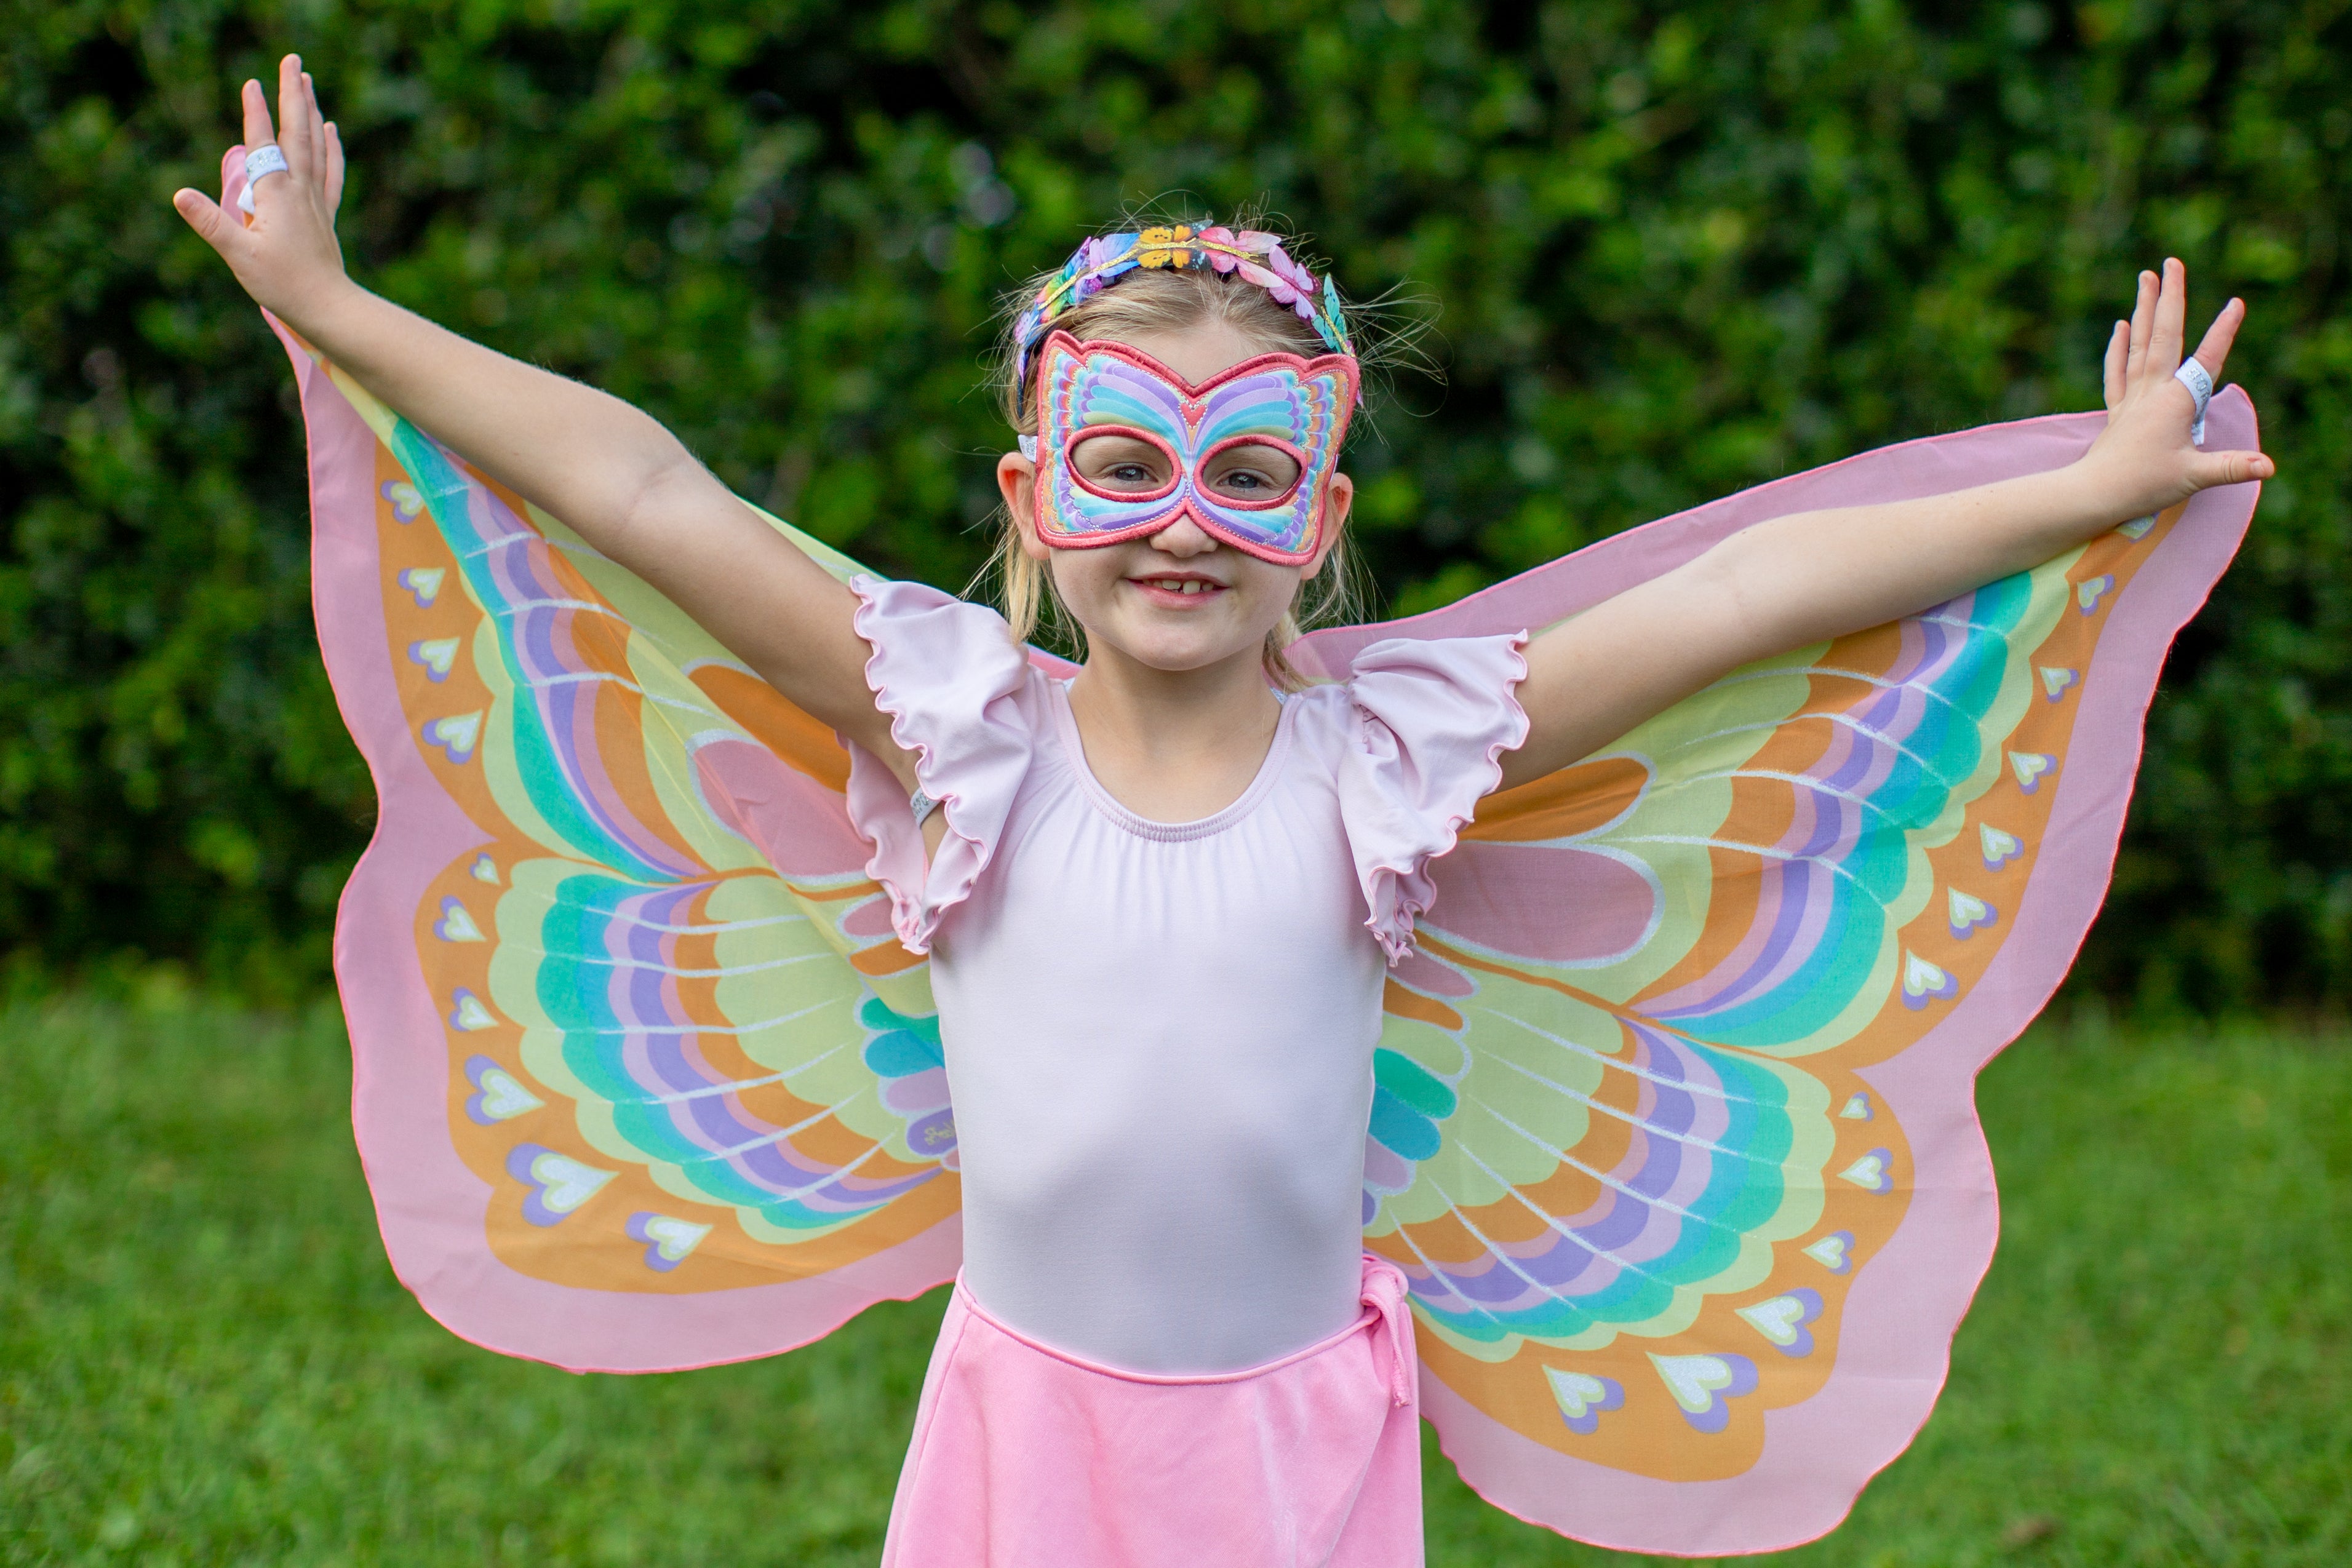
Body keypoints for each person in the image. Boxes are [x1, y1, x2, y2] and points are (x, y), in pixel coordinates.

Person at [175, 55, 2272, 1568]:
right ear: (1030, 502)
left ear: (1321, 517)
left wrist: (2082, 495)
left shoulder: (1391, 766)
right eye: (1120, 464)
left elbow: (1729, 599)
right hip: (1027, 1427)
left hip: (1297, 1444)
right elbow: (646, 494)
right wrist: (337, 309)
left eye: (1248, 472)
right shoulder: (955, 730)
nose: (1181, 525)